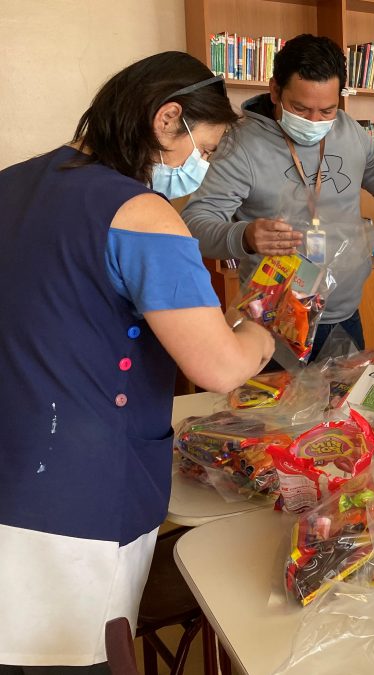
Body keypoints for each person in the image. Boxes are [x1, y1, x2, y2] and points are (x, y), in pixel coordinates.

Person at [0, 53, 274, 672]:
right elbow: (220, 368)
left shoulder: (11, 184)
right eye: (199, 149)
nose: (196, 169)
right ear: (166, 119)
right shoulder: (143, 214)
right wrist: (262, 329)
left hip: (15, 460)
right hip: (77, 499)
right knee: (78, 654)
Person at [184, 33, 374, 357]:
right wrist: (245, 235)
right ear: (275, 90)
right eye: (301, 109)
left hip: (345, 315)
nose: (315, 121)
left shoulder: (348, 130)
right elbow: (195, 223)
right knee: (277, 409)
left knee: (342, 407)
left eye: (327, 110)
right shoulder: (240, 144)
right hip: (276, 322)